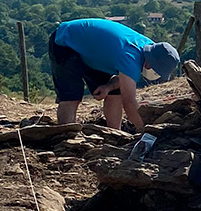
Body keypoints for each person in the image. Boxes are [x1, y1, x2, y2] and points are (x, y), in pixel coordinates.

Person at [49, 18, 181, 132]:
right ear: (150, 63)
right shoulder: (130, 57)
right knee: (71, 97)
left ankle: (114, 133)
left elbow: (123, 80)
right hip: (66, 42)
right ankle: (66, 136)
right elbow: (129, 102)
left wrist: (108, 87)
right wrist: (144, 130)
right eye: (157, 70)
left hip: (93, 51)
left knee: (115, 93)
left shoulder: (150, 49)